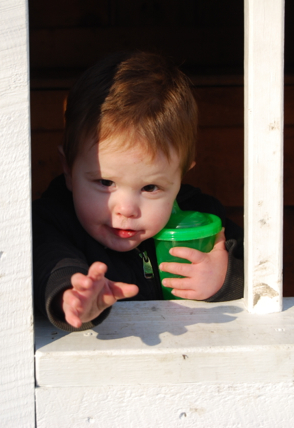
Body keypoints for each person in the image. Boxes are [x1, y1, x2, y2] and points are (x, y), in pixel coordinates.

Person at [33, 51, 243, 331]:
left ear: (180, 178)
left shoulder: (200, 219)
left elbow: (264, 267)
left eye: (150, 187)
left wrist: (226, 276)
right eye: (105, 183)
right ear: (69, 170)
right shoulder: (53, 221)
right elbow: (48, 263)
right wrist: (72, 295)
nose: (126, 209)